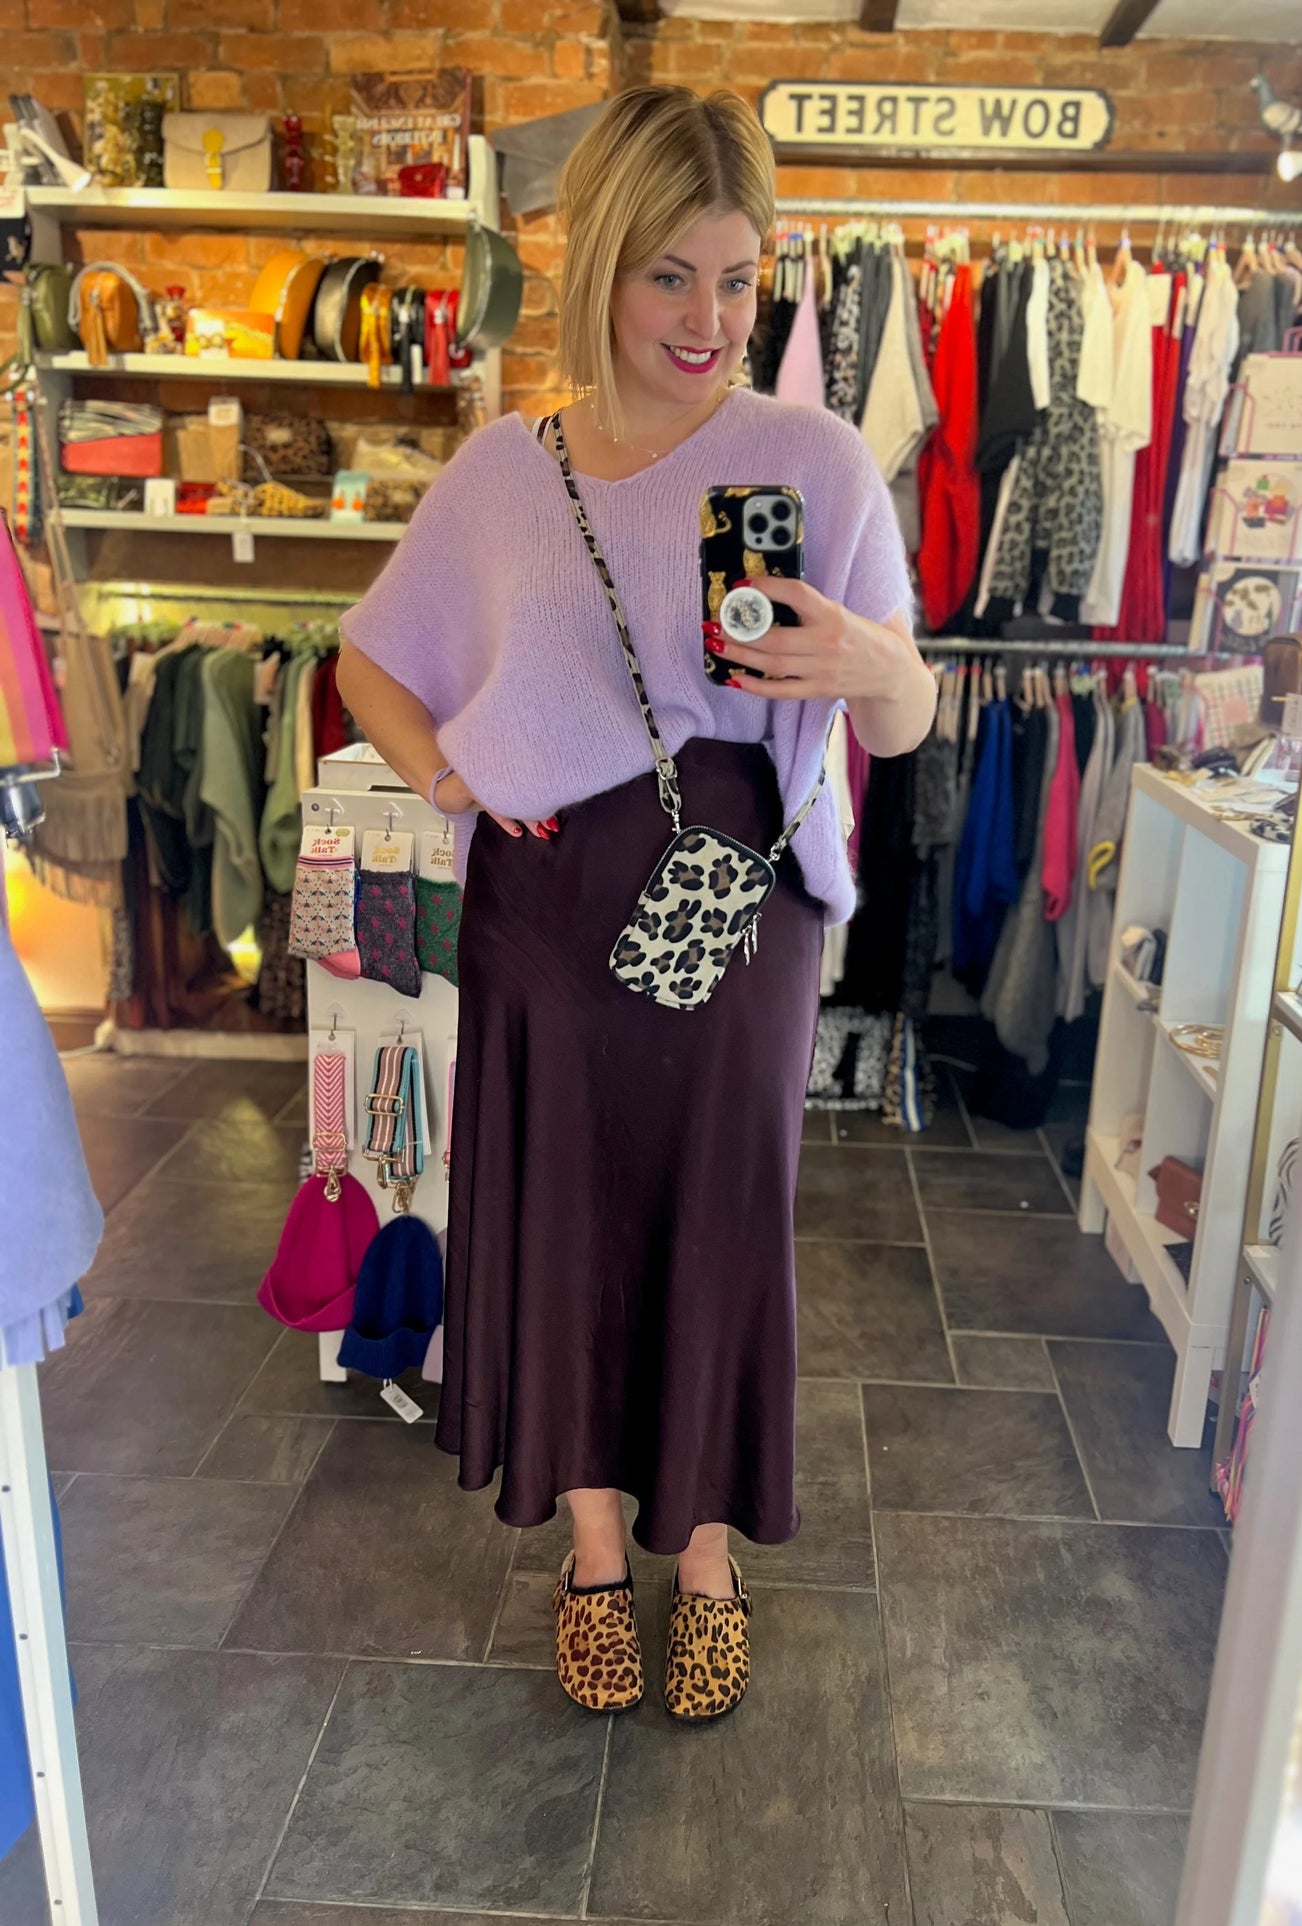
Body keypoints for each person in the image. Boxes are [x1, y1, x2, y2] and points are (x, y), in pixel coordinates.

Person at [336, 85, 935, 1723]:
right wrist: (452, 779)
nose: (707, 320)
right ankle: (596, 1547)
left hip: (736, 896)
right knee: (566, 1218)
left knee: (718, 1214)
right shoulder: (502, 470)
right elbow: (368, 659)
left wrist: (872, 663)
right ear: (599, 259)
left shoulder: (807, 454)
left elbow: (903, 719)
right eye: (670, 276)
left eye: (739, 282)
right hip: (545, 906)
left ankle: (711, 1551)